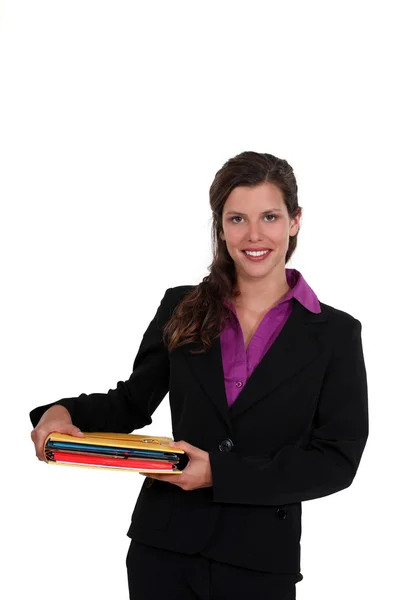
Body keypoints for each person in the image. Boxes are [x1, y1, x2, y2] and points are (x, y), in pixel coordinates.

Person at [30, 150, 369, 599]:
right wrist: (59, 411)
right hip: (163, 550)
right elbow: (132, 401)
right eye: (236, 219)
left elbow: (336, 461)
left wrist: (222, 475)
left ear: (295, 221)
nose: (253, 235)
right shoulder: (181, 306)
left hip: (260, 560)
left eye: (269, 216)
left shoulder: (335, 334)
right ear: (220, 225)